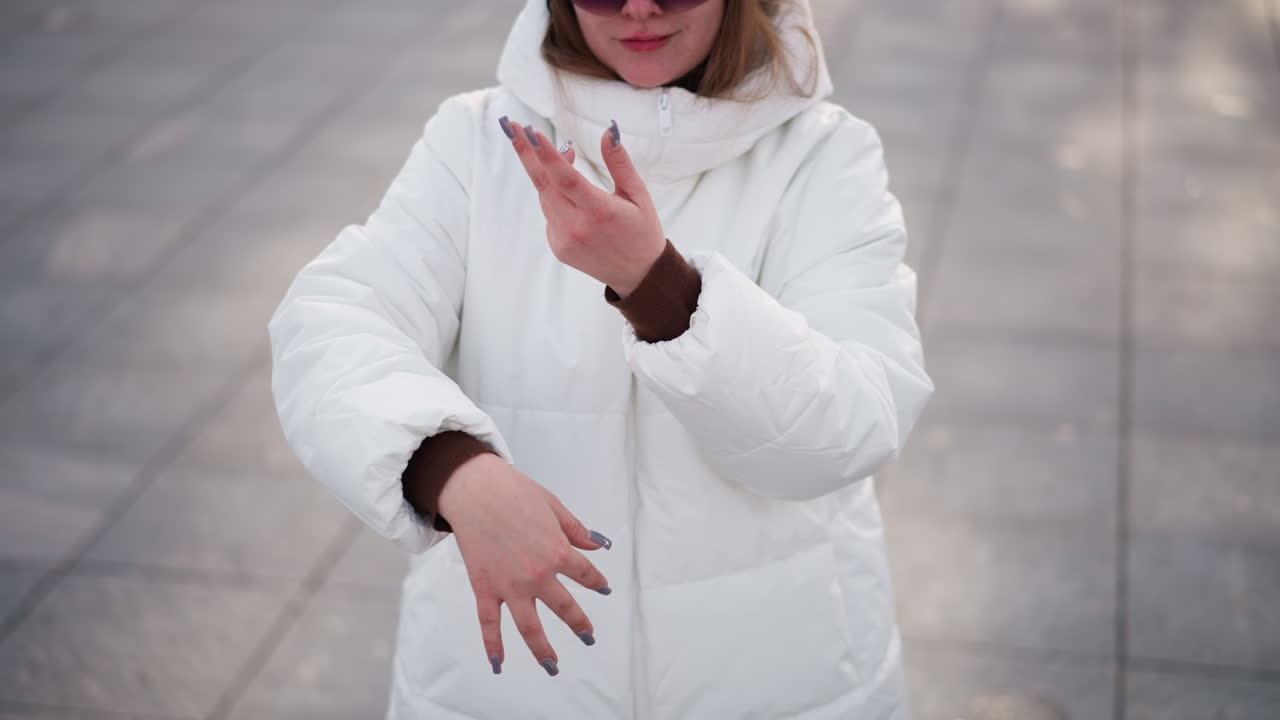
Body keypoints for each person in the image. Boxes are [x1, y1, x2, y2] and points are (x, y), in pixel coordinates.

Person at [268, 0, 933, 716]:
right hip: (507, 683)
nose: (639, 6)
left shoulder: (827, 157)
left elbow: (855, 422)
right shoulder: (475, 143)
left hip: (784, 674)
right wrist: (451, 466)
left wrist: (660, 287)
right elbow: (332, 321)